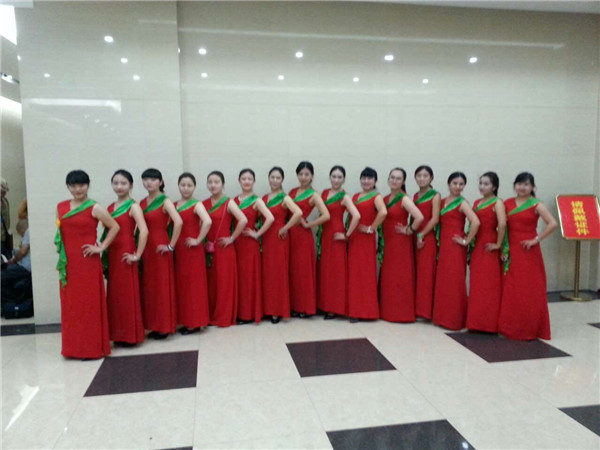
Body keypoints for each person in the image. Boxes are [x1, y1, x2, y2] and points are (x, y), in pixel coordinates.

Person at [55, 170, 119, 359]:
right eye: (73, 186)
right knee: (71, 306)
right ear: (68, 187)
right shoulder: (60, 207)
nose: (77, 189)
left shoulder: (95, 207)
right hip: (69, 264)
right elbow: (60, 234)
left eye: (81, 185)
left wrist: (101, 247)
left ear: (88, 185)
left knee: (88, 305)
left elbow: (114, 227)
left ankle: (90, 348)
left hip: (87, 263)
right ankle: (72, 348)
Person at [498, 172, 557, 340]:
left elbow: (553, 224)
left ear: (532, 187)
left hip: (528, 251)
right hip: (510, 250)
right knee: (511, 288)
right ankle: (509, 326)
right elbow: (502, 225)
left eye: (526, 184)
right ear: (514, 185)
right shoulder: (507, 203)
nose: (522, 187)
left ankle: (529, 328)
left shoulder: (536, 204)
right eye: (519, 184)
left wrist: (536, 239)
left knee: (528, 288)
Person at [104, 170, 148, 346]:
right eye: (115, 183)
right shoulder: (109, 208)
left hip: (126, 252)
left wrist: (137, 254)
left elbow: (144, 231)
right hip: (113, 253)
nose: (119, 186)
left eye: (123, 183)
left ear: (131, 185)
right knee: (115, 295)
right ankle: (118, 334)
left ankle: (131, 335)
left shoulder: (133, 206)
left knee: (127, 294)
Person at [432, 172, 480, 330]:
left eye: (461, 184)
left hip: (455, 246)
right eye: (455, 183)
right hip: (444, 245)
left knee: (454, 282)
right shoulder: (442, 201)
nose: (458, 187)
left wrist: (466, 240)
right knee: (443, 280)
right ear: (448, 184)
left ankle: (454, 320)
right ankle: (441, 317)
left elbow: (475, 222)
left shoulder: (463, 203)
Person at [139, 168, 182, 339]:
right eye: (145, 179)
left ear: (161, 182)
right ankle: (154, 325)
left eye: (153, 179)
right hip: (146, 247)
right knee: (150, 287)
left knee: (162, 286)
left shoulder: (165, 201)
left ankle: (164, 326)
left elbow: (178, 222)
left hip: (160, 247)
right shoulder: (142, 203)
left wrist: (171, 246)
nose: (149, 182)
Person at [202, 171, 247, 327]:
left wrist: (232, 238)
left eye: (216, 182)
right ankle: (211, 315)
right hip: (209, 249)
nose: (213, 185)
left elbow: (243, 220)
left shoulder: (229, 202)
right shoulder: (204, 203)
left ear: (223, 184)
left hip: (224, 249)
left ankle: (223, 317)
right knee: (212, 284)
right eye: (210, 182)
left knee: (224, 284)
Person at [379, 168, 424, 323]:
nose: (394, 181)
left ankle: (400, 313)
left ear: (403, 181)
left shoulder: (404, 199)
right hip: (388, 241)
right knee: (389, 277)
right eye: (392, 177)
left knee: (399, 277)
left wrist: (409, 230)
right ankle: (388, 311)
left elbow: (419, 217)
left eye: (398, 178)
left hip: (400, 243)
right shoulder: (385, 198)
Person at [317, 165, 360, 320]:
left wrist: (346, 235)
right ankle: (325, 305)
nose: (336, 180)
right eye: (334, 177)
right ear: (329, 177)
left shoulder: (344, 197)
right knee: (326, 270)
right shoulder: (324, 193)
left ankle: (334, 308)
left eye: (339, 177)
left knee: (336, 272)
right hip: (325, 233)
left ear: (344, 179)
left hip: (336, 233)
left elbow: (356, 216)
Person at [288, 161, 330, 317]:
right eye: (300, 174)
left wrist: (309, 224)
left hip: (303, 237)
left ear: (312, 176)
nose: (303, 177)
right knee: (292, 272)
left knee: (303, 272)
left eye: (307, 174)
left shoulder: (314, 195)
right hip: (290, 235)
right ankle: (294, 306)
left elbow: (326, 215)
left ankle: (305, 308)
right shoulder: (292, 192)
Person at [466, 172, 506, 333]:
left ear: (494, 187)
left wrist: (498, 244)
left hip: (489, 243)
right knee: (477, 283)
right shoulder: (477, 202)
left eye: (486, 184)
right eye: (481, 183)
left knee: (489, 283)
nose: (482, 187)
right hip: (477, 245)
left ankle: (489, 323)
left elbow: (502, 224)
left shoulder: (498, 202)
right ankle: (476, 321)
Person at [261, 167, 302, 324]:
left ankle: (277, 311)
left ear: (282, 180)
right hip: (266, 237)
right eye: (272, 177)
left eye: (278, 178)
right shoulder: (264, 198)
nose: (275, 180)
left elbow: (298, 213)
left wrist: (285, 227)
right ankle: (268, 308)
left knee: (278, 274)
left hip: (279, 238)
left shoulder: (285, 198)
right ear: (268, 178)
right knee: (268, 274)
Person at [234, 168, 274, 324]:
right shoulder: (235, 200)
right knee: (240, 279)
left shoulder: (257, 201)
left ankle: (249, 314)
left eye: (249, 179)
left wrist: (257, 234)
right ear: (239, 181)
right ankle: (240, 312)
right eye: (243, 179)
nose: (246, 181)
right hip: (237, 243)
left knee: (249, 278)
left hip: (250, 245)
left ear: (254, 181)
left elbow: (270, 218)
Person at [347, 167, 387, 322]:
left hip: (366, 239)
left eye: (369, 178)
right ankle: (354, 310)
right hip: (355, 237)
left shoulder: (376, 196)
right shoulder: (356, 196)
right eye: (363, 178)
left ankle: (367, 311)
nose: (366, 181)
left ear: (375, 181)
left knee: (365, 274)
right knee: (354, 274)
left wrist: (372, 228)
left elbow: (383, 212)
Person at [174, 172, 212, 334]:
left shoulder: (197, 204)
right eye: (183, 185)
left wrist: (198, 240)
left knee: (194, 286)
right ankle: (186, 319)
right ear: (178, 186)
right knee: (183, 286)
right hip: (179, 250)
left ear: (194, 187)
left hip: (192, 251)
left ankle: (195, 322)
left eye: (189, 185)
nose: (186, 188)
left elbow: (208, 221)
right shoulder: (174, 204)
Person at [413, 165, 441, 320]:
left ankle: (425, 311)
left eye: (425, 176)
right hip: (415, 236)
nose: (422, 178)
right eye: (419, 175)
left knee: (426, 275)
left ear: (431, 178)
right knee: (417, 273)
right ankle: (417, 308)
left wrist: (421, 234)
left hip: (426, 238)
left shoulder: (435, 195)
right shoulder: (416, 195)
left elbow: (435, 219)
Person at [1, 220, 32, 311]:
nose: (22, 236)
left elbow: (23, 252)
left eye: (21, 234)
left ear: (22, 230)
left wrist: (13, 261)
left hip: (25, 268)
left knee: (2, 276)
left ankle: (10, 305)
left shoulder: (28, 232)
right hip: (24, 267)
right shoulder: (31, 232)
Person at [1, 178, 11, 259]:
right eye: (2, 191)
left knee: (7, 259)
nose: (4, 193)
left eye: (5, 191)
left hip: (5, 236)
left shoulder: (5, 201)